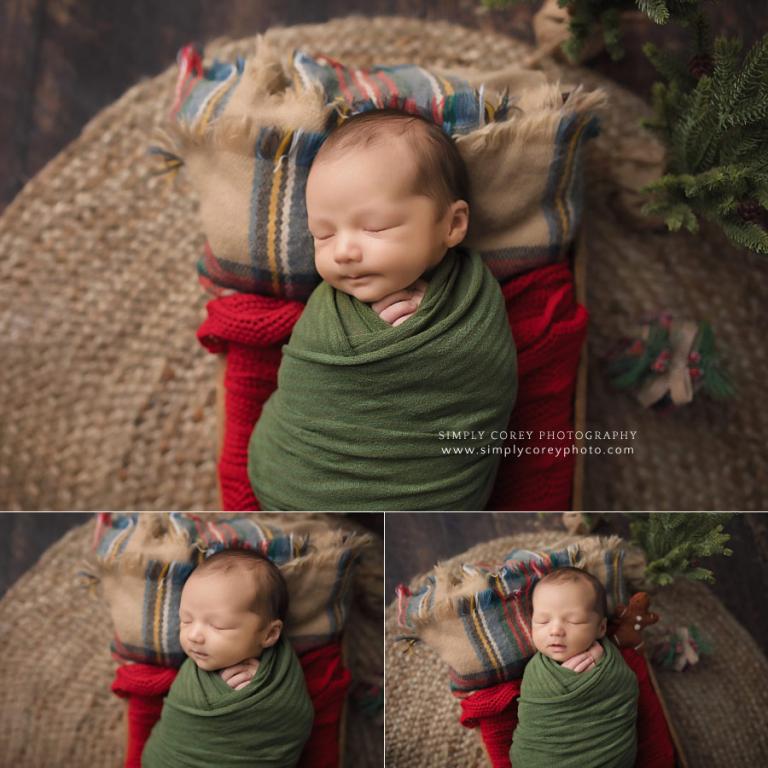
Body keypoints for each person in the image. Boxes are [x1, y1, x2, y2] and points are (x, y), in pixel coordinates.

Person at [248, 109, 518, 511]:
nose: (343, 251)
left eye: (374, 227)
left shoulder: (473, 301)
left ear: (452, 224)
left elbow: (484, 375)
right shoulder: (327, 310)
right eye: (323, 234)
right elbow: (309, 383)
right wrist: (367, 338)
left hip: (434, 493)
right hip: (296, 478)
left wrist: (420, 352)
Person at [142, 549, 314, 768]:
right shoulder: (192, 678)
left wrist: (257, 694)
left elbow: (294, 718)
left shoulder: (281, 675)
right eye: (185, 620)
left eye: (218, 625)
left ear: (269, 634)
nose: (194, 636)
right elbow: (177, 721)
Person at [510, 567, 639, 768]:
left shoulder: (613, 664)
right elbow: (534, 716)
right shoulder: (536, 672)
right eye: (542, 621)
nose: (555, 631)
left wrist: (601, 675)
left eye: (574, 621)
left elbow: (626, 689)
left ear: (601, 628)